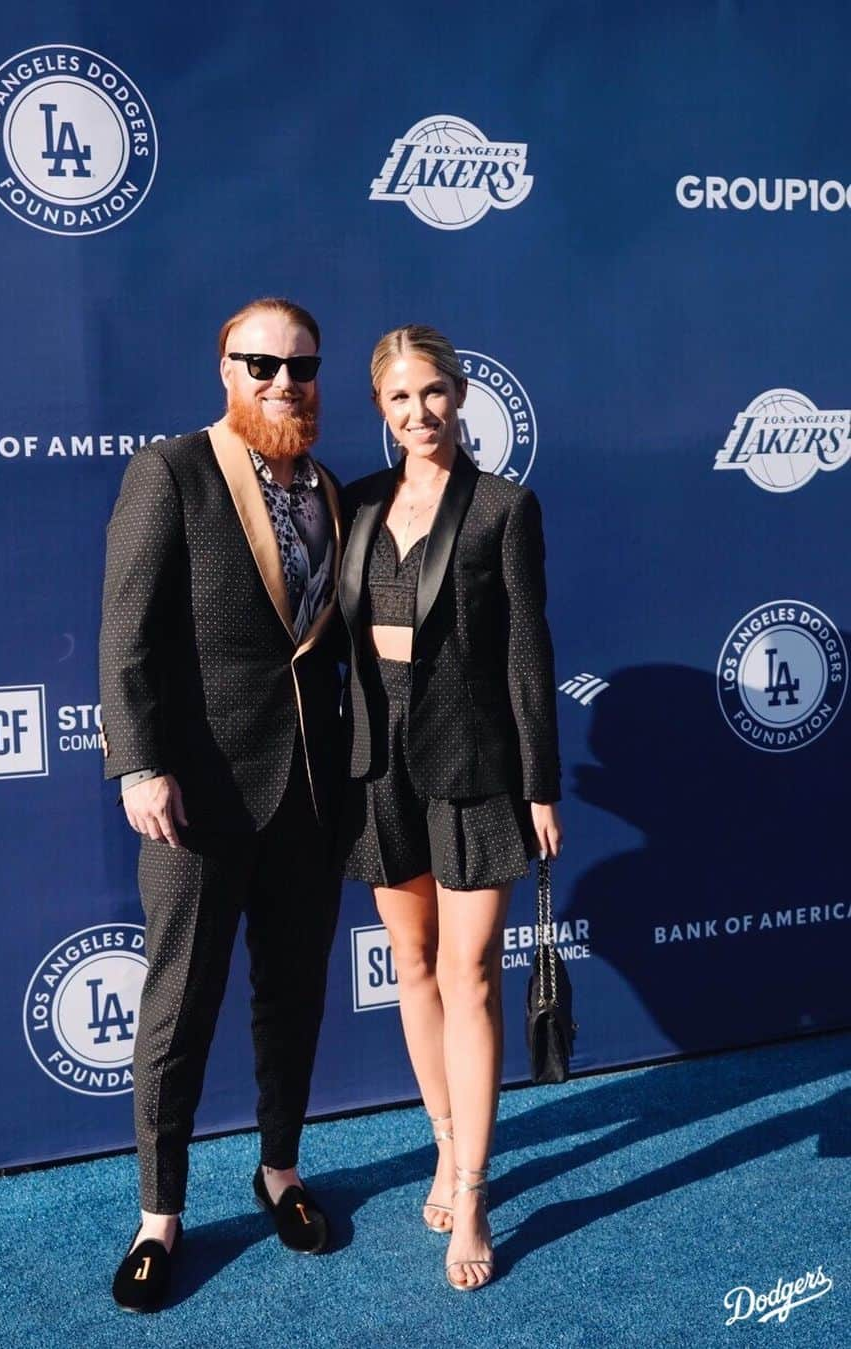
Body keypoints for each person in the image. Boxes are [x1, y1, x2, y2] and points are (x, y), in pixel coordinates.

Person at [98, 298, 344, 1313]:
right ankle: (160, 1215)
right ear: (226, 372)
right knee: (177, 1008)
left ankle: (279, 1169)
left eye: (301, 367)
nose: (284, 382)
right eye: (263, 364)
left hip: (311, 796)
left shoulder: (329, 487)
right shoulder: (171, 471)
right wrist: (138, 765)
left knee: (291, 997)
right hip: (195, 793)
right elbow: (126, 634)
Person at [337, 325, 564, 1292]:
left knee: (470, 977)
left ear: (460, 395)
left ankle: (472, 1186)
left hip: (475, 763)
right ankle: (441, 1139)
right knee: (415, 965)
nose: (418, 412)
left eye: (432, 392)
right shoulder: (353, 504)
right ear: (380, 409)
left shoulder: (505, 508)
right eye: (399, 398)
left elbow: (528, 650)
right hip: (376, 768)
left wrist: (542, 781)